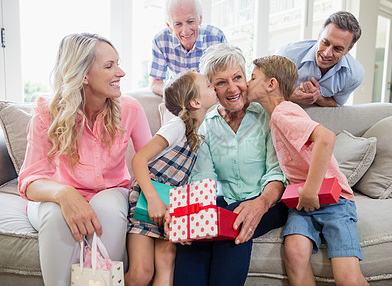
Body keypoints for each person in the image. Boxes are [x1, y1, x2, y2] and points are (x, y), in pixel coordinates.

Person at [18, 33, 152, 285]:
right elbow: (30, 180)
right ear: (83, 75)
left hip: (112, 193)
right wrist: (64, 194)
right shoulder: (47, 113)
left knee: (108, 208)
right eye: (109, 66)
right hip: (54, 195)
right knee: (55, 214)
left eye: (118, 63)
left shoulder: (130, 109)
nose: (121, 72)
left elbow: (153, 165)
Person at [247, 55, 368, 286]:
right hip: (302, 202)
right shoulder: (275, 114)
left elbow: (326, 137)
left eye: (252, 78)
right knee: (294, 253)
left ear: (271, 84)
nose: (247, 84)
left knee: (348, 279)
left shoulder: (283, 112)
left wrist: (311, 190)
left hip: (333, 200)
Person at [173, 43, 288, 286]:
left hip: (267, 201)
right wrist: (193, 219)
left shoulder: (266, 115)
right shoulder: (206, 124)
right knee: (196, 237)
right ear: (212, 89)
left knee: (233, 226)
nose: (233, 87)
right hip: (223, 203)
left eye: (238, 78)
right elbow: (204, 178)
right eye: (221, 82)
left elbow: (276, 172)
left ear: (247, 79)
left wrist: (260, 204)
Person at [125, 70, 218, 286]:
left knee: (167, 261)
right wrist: (154, 201)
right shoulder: (176, 125)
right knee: (141, 274)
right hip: (147, 200)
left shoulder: (197, 135)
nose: (213, 86)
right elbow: (139, 160)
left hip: (170, 207)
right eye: (207, 84)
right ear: (195, 102)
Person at [277, 11, 364, 107]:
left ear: (348, 50)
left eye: (337, 48)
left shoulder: (354, 75)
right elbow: (261, 90)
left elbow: (337, 103)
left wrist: (317, 97)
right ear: (319, 36)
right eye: (325, 42)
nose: (327, 53)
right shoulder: (287, 54)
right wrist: (291, 96)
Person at [149, 0, 227, 96]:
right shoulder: (160, 40)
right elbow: (156, 82)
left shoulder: (216, 37)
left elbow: (226, 77)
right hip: (179, 99)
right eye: (178, 24)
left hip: (210, 96)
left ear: (200, 19)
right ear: (169, 25)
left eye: (190, 21)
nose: (185, 31)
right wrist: (176, 94)